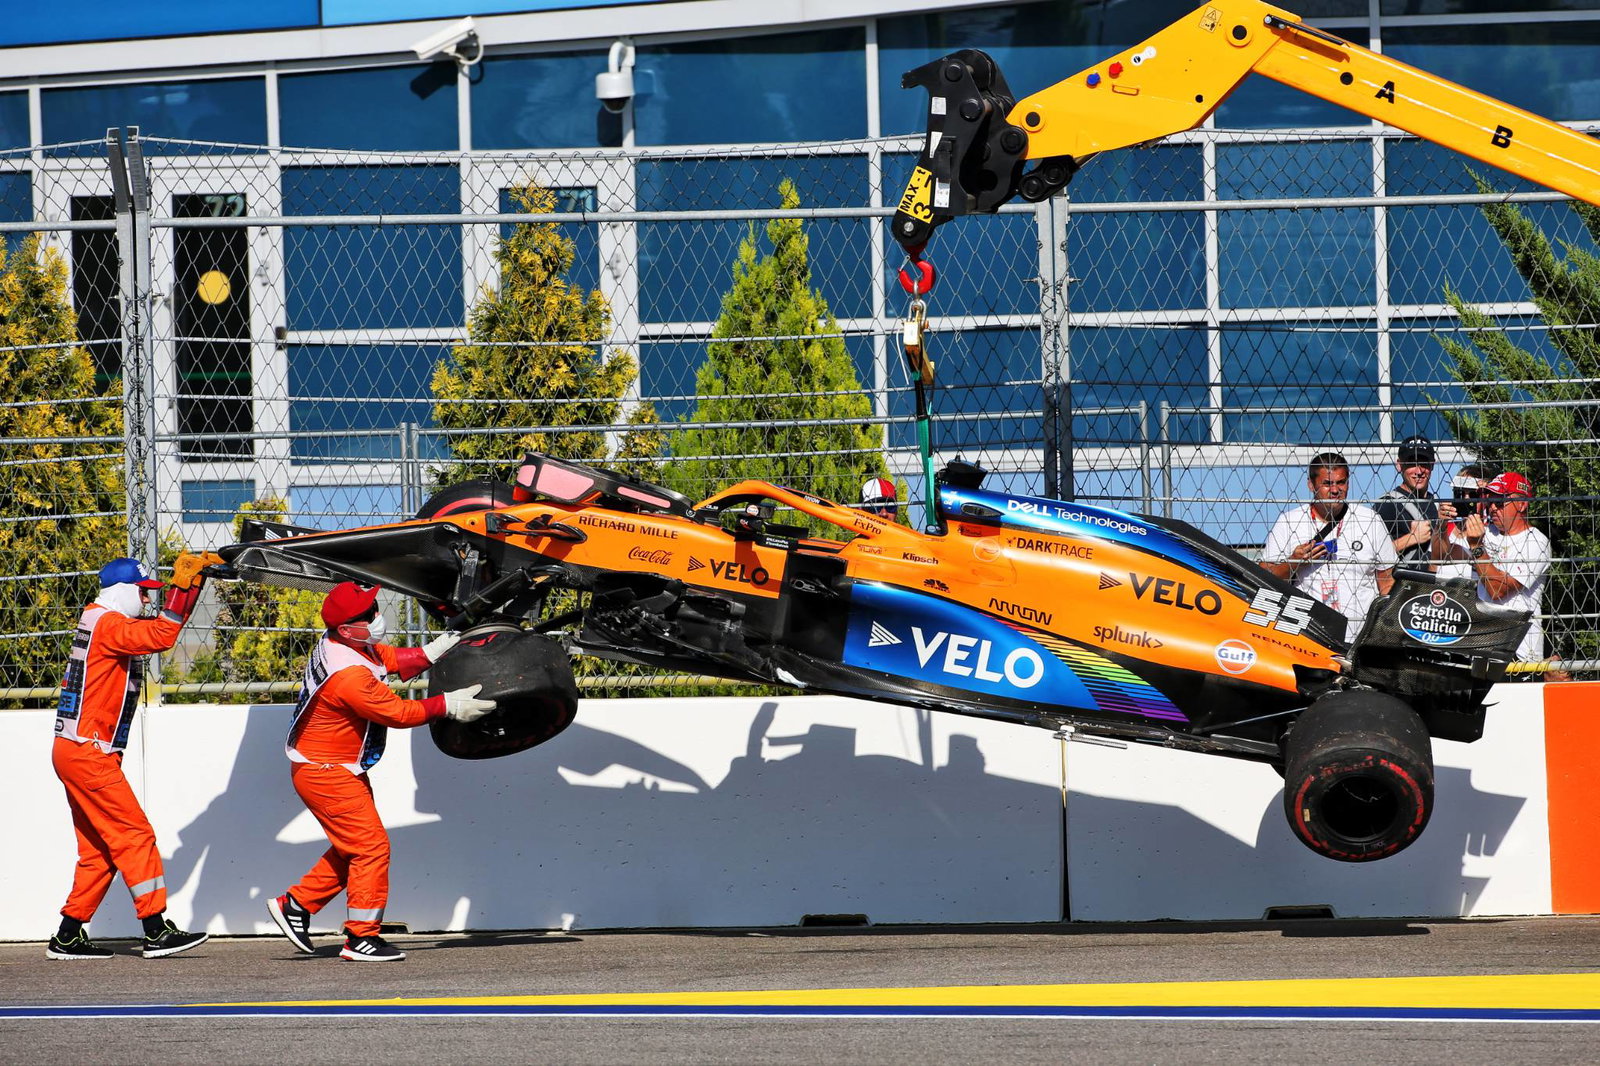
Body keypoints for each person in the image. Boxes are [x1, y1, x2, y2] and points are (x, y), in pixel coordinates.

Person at [265, 581, 496, 962]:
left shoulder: (344, 644)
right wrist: (447, 706)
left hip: (330, 768)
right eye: (366, 615)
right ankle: (360, 938)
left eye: (373, 610)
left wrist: (430, 652)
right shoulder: (349, 676)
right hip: (327, 773)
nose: (376, 617)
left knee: (353, 846)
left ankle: (296, 905)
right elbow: (398, 713)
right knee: (371, 848)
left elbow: (386, 657)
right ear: (346, 628)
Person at [47, 551, 223, 960]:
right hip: (89, 752)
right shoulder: (109, 624)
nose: (147, 601)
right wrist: (184, 587)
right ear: (123, 590)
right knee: (135, 836)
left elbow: (158, 629)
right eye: (143, 594)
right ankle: (156, 930)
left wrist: (193, 586)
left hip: (75, 750)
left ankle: (68, 935)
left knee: (100, 848)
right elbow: (162, 636)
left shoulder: (99, 618)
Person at [1260, 451, 1398, 642]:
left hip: (1361, 637)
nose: (1335, 490)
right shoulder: (1289, 522)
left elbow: (1387, 583)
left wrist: (1384, 632)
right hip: (1308, 635)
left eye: (1341, 482)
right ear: (1311, 484)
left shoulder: (1369, 520)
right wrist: (1294, 562)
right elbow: (1263, 577)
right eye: (1327, 484)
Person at [1443, 471, 1550, 663]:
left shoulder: (1536, 541)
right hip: (1481, 648)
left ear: (1522, 504)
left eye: (1500, 502)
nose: (1492, 508)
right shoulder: (1486, 532)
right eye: (1490, 501)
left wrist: (1477, 547)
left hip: (1518, 653)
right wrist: (1441, 525)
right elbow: (1442, 555)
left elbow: (1498, 590)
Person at [1373, 434, 1457, 570]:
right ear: (1399, 465)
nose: (1419, 471)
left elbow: (1442, 556)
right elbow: (1371, 554)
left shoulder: (1437, 505)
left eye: (1424, 464)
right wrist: (1412, 538)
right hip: (1401, 588)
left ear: (1432, 465)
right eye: (1412, 463)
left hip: (1433, 587)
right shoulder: (1387, 505)